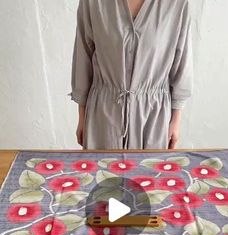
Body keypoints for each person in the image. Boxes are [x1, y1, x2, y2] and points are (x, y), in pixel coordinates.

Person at [71, 0, 193, 150]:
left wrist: (176, 120)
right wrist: (82, 116)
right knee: (103, 171)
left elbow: (181, 62)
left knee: (148, 171)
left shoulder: (176, 4)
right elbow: (83, 56)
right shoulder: (93, 3)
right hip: (103, 117)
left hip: (153, 118)